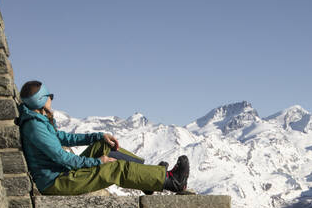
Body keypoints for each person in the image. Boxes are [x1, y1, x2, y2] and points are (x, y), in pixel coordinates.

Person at [15, 80, 189, 195]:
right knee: (114, 168)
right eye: (49, 96)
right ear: (40, 101)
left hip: (61, 173)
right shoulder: (35, 127)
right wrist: (98, 162)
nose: (52, 98)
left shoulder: (38, 120)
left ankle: (147, 180)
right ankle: (172, 181)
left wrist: (97, 137)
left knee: (102, 144)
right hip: (56, 181)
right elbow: (62, 158)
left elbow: (62, 137)